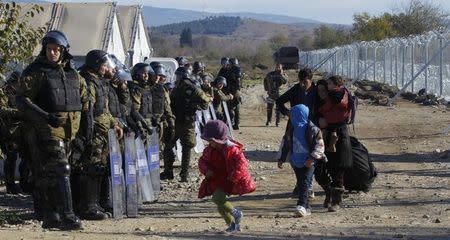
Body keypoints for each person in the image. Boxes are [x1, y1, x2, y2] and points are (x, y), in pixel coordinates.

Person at [17, 30, 85, 230]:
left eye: (56, 50)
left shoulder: (74, 74)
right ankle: (68, 216)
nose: (52, 53)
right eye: (49, 49)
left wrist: (84, 131)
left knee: (50, 174)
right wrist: (45, 116)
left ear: (63, 51)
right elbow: (21, 100)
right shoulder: (36, 71)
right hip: (46, 129)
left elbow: (85, 102)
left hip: (70, 130)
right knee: (62, 169)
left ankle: (51, 215)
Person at [77, 50, 123, 220]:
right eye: (103, 65)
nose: (106, 68)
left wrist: (115, 124)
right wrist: (89, 135)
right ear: (96, 65)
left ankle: (97, 203)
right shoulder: (89, 82)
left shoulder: (100, 82)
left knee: (100, 168)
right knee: (92, 168)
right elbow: (89, 112)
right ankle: (88, 206)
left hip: (103, 134)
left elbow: (104, 111)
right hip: (94, 133)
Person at [198, 120, 256, 232]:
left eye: (211, 141)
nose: (210, 143)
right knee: (220, 207)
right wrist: (206, 170)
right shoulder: (210, 150)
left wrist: (234, 177)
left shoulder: (232, 149)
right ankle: (233, 225)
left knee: (217, 198)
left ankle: (236, 213)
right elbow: (202, 161)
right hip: (216, 179)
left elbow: (242, 165)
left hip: (228, 180)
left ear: (219, 140)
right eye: (209, 141)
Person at [162, 67, 212, 182]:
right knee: (184, 147)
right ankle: (181, 174)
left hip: (181, 122)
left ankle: (174, 172)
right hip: (182, 122)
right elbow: (205, 102)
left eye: (178, 76)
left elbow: (205, 103)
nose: (177, 78)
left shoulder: (189, 88)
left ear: (183, 76)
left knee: (175, 146)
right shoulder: (182, 88)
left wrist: (193, 106)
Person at [277, 104, 326, 217]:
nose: (291, 118)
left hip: (309, 161)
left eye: (293, 115)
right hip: (296, 161)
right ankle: (307, 207)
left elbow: (319, 146)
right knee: (302, 183)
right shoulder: (292, 129)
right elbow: (286, 144)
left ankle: (302, 205)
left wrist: (311, 158)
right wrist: (281, 159)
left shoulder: (313, 129)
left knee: (304, 183)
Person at [276, 68, 317, 197]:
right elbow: (279, 101)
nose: (302, 85)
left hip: (311, 127)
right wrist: (288, 113)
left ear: (311, 80)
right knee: (295, 155)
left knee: (311, 155)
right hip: (295, 127)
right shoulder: (295, 90)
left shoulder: (317, 91)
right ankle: (301, 184)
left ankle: (307, 186)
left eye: (305, 82)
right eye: (300, 81)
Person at [318, 75, 353, 212]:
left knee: (336, 167)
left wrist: (321, 114)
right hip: (337, 132)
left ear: (335, 84)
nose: (327, 86)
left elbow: (326, 109)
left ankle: (336, 200)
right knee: (330, 166)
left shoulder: (334, 95)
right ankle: (331, 196)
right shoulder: (345, 93)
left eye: (329, 83)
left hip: (334, 132)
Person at [226, 58, 242, 130]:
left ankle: (232, 123)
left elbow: (238, 80)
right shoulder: (236, 69)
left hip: (234, 91)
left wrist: (236, 90)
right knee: (236, 108)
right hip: (236, 91)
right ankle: (236, 123)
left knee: (231, 108)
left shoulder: (236, 69)